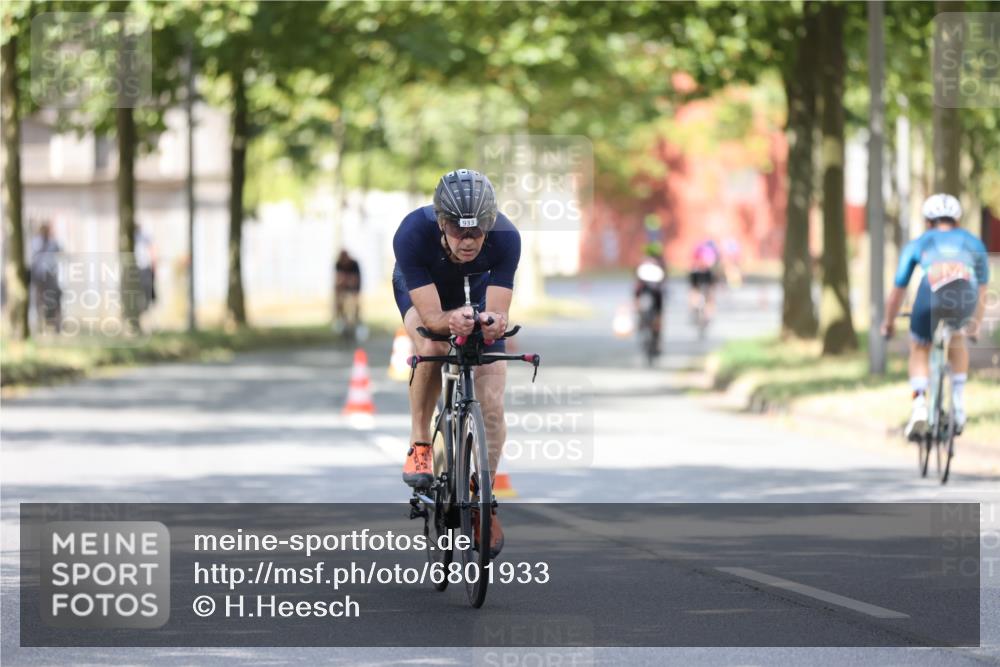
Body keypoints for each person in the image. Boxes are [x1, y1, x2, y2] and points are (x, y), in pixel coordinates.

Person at [392, 169, 519, 557]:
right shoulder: (412, 233)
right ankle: (419, 442)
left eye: (477, 231)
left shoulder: (506, 238)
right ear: (441, 222)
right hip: (424, 291)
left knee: (493, 405)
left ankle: (483, 499)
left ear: (490, 225)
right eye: (458, 230)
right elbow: (432, 320)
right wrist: (448, 321)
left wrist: (492, 323)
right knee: (430, 347)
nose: (468, 240)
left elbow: (498, 315)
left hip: (476, 293)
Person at [881, 193, 989, 438]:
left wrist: (888, 323)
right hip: (964, 295)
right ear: (957, 221)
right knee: (958, 338)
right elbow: (982, 289)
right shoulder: (974, 243)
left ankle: (919, 404)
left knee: (920, 345)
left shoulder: (919, 243)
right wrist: (975, 324)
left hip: (930, 294)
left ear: (928, 222)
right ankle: (959, 404)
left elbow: (898, 290)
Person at [633, 243, 667, 354]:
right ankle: (652, 330)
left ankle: (644, 323)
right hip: (653, 292)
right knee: (658, 314)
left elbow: (637, 283)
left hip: (650, 291)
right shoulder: (659, 263)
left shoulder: (643, 263)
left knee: (654, 313)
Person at [30, 222, 62, 334]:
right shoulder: (36, 242)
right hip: (39, 276)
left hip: (50, 275)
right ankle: (40, 324)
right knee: (39, 300)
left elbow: (61, 251)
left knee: (55, 298)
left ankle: (55, 325)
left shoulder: (53, 242)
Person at [688, 238, 720, 321]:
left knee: (708, 292)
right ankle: (694, 307)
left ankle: (707, 311)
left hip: (705, 273)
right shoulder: (706, 250)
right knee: (695, 290)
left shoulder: (705, 251)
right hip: (699, 273)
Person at [333, 250, 362, 338]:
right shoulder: (338, 264)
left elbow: (355, 281)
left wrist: (345, 280)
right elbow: (338, 280)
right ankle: (341, 323)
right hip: (343, 290)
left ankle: (354, 325)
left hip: (353, 290)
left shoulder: (354, 264)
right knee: (339, 305)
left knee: (353, 307)